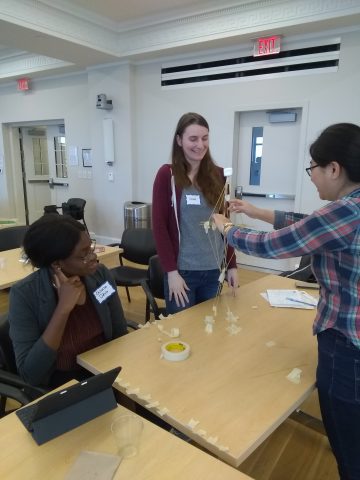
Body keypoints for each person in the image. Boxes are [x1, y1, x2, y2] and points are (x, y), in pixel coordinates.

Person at [212, 122, 360, 480]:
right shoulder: (349, 209)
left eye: (313, 169)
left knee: (348, 445)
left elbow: (273, 246)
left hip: (346, 345)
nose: (312, 177)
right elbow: (308, 223)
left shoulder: (345, 212)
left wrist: (227, 228)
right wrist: (256, 211)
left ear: (334, 169)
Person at [8, 214, 128, 388]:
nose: (93, 257)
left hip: (106, 369)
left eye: (91, 247)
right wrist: (63, 309)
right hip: (62, 384)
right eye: (83, 254)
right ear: (57, 264)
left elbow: (119, 333)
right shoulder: (24, 295)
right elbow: (30, 374)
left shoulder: (100, 275)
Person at [152, 112, 238, 314]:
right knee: (182, 335)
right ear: (179, 140)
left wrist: (232, 264)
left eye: (204, 138)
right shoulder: (167, 175)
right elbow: (159, 227)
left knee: (208, 332)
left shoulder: (219, 174)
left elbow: (225, 224)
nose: (200, 144)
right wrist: (171, 272)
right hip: (183, 272)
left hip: (214, 269)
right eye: (193, 139)